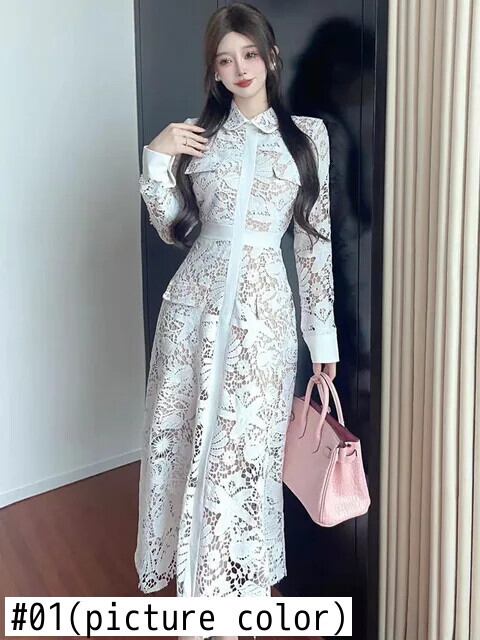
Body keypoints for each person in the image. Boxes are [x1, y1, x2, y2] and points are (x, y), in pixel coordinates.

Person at [134, 2, 339, 636]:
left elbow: (314, 245)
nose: (240, 68)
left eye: (249, 54)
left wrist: (323, 340)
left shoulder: (307, 137)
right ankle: (191, 595)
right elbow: (174, 230)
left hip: (263, 319)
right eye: (225, 60)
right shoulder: (198, 138)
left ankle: (237, 598)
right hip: (191, 313)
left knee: (244, 452)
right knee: (182, 439)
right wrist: (157, 157)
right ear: (215, 71)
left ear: (271, 56)